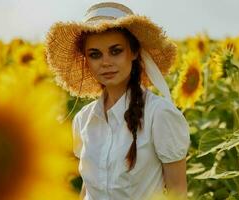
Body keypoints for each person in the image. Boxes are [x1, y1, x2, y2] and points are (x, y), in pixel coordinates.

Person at [45, 2, 191, 200]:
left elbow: (177, 192)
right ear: (86, 60)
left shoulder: (159, 114)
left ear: (134, 52)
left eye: (115, 51)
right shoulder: (83, 119)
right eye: (95, 54)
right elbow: (87, 190)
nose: (105, 62)